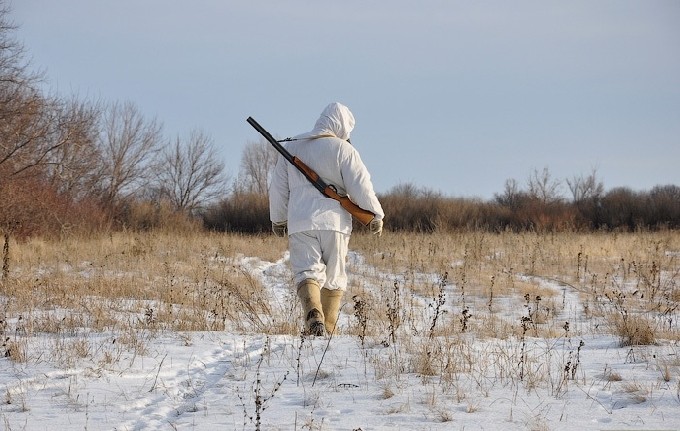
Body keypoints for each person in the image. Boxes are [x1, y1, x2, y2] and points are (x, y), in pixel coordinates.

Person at [269, 102, 384, 336]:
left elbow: (278, 188)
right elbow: (361, 186)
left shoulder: (291, 147)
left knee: (306, 273)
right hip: (335, 224)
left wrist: (279, 219)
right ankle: (328, 329)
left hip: (300, 222)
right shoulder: (343, 149)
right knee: (334, 277)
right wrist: (375, 215)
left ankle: (313, 315)